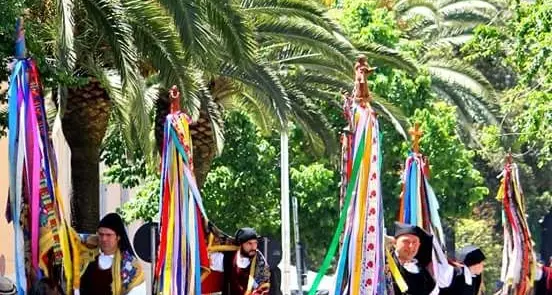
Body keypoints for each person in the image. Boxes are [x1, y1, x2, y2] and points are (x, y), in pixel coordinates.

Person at [77, 213, 145, 295]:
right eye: (101, 234)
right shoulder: (88, 260)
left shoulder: (130, 266)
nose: (104, 239)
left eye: (109, 235)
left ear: (118, 237)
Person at [209, 227, 270, 295]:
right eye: (249, 243)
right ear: (240, 244)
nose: (253, 247)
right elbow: (207, 260)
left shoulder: (259, 261)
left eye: (255, 243)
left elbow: (264, 287)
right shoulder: (228, 257)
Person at [390, 222, 436, 295]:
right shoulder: (386, 264)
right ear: (395, 243)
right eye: (406, 241)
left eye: (414, 242)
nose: (411, 246)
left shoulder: (425, 275)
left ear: (419, 245)